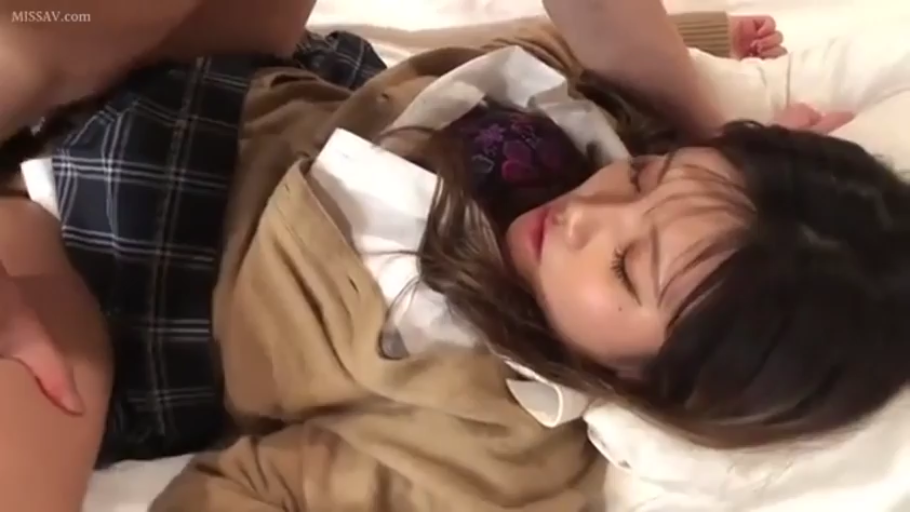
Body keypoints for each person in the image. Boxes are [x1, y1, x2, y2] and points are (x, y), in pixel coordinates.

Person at [0, 1, 848, 511]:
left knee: (44, 376)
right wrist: (706, 43)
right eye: (644, 178)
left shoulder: (490, 436)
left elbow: (272, 491)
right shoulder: (587, 144)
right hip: (219, 88)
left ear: (649, 382)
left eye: (627, 268)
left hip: (114, 260)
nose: (588, 215)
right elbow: (560, 42)